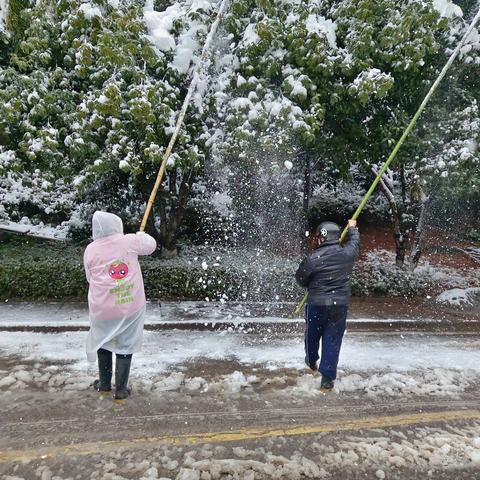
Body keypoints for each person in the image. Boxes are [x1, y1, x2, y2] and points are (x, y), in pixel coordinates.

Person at [83, 211, 157, 400]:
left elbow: (89, 277)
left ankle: (105, 384)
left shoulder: (90, 249)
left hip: (101, 308)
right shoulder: (130, 241)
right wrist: (142, 236)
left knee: (103, 342)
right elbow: (151, 246)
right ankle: (121, 389)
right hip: (129, 307)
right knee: (126, 345)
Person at [295, 219, 360, 392]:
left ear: (322, 237)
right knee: (333, 339)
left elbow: (300, 279)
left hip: (316, 304)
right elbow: (354, 243)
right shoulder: (347, 254)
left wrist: (312, 283)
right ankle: (327, 380)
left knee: (312, 335)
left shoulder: (312, 259)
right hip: (339, 305)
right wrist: (353, 228)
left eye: (317, 237)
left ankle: (311, 359)